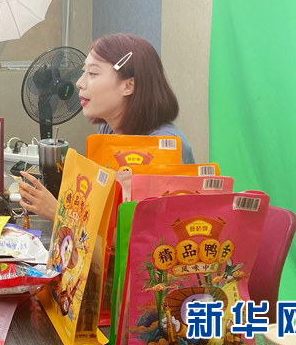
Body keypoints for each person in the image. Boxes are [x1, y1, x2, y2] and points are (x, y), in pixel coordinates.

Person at [19, 33, 195, 221]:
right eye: (83, 71)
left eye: (93, 73)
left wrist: (58, 213)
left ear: (128, 86)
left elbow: (146, 232)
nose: (79, 83)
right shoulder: (108, 130)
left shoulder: (167, 146)